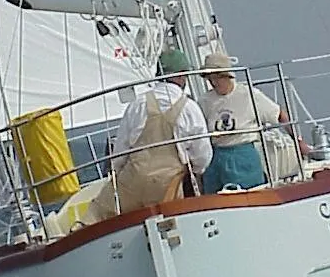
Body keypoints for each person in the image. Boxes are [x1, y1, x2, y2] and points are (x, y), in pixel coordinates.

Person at [83, 49, 212, 223]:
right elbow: (203, 158)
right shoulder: (190, 108)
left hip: (134, 181)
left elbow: (120, 151)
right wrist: (194, 172)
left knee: (97, 214)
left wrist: (117, 174)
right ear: (182, 76)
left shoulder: (138, 104)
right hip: (167, 186)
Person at [199, 51, 307, 193]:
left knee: (250, 192)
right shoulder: (205, 101)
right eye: (210, 78)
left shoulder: (249, 94)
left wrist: (298, 141)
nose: (214, 82)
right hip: (216, 155)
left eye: (217, 77)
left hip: (242, 152)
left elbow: (279, 115)